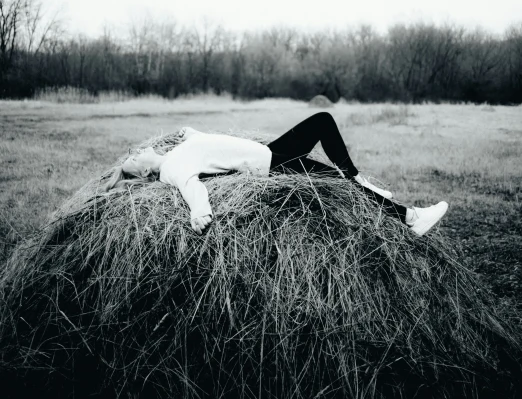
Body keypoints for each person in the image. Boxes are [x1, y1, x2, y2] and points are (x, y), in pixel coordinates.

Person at [104, 111, 448, 237]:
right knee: (323, 122)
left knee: (333, 179)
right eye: (134, 158)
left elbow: (208, 148)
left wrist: (193, 133)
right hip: (272, 162)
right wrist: (200, 212)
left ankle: (406, 216)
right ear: (147, 169)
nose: (138, 151)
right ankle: (377, 194)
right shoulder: (173, 169)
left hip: (270, 155)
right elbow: (192, 188)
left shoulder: (177, 153)